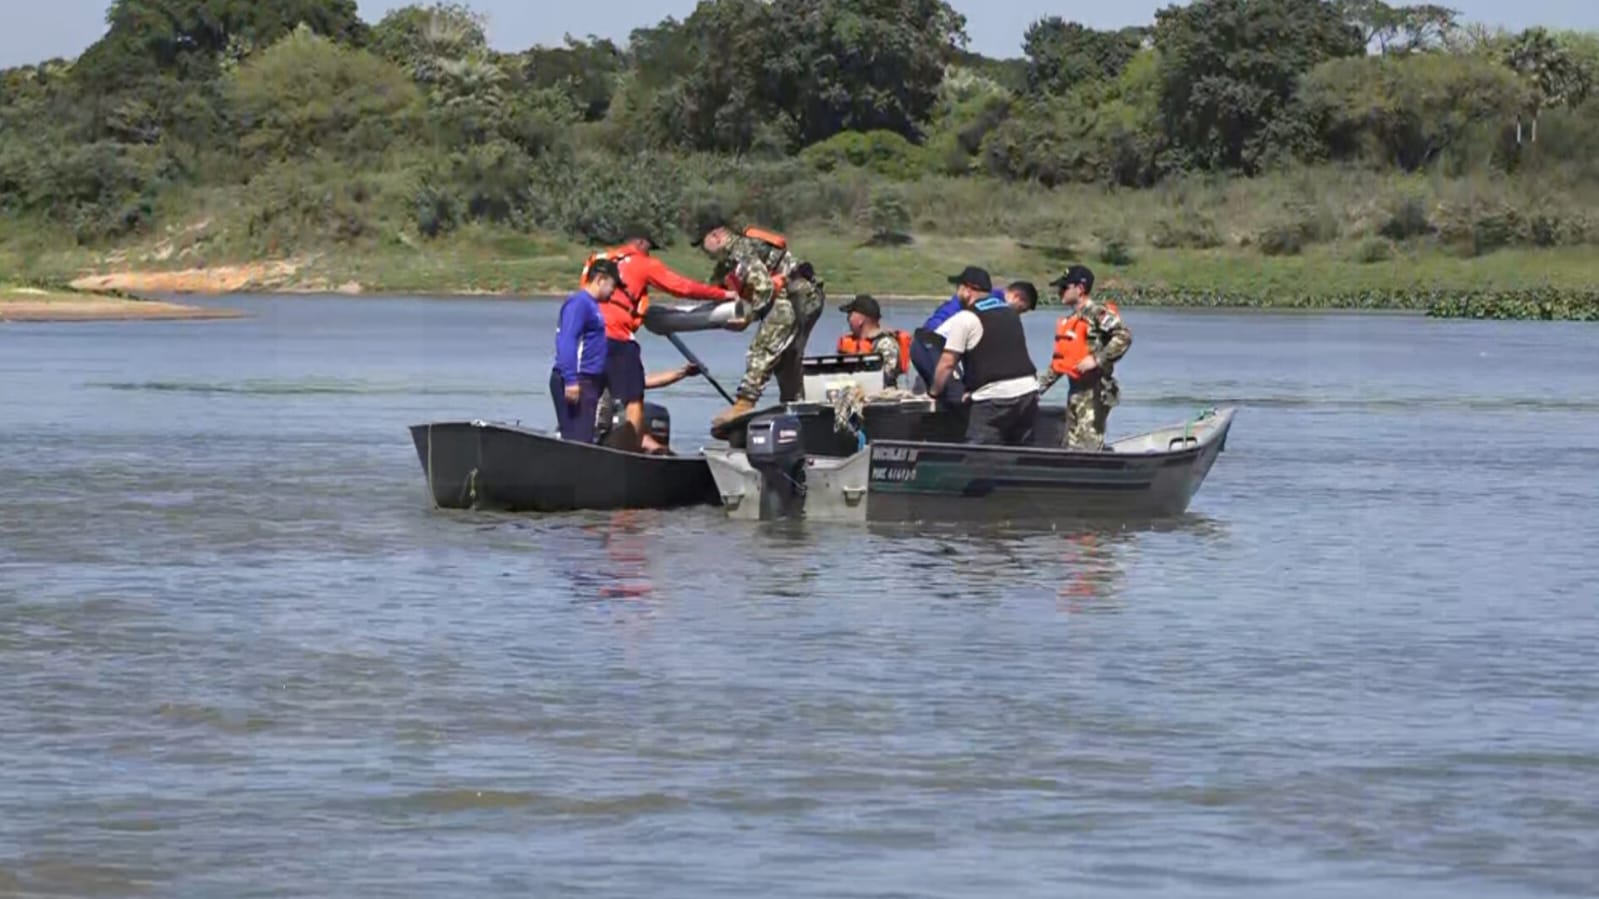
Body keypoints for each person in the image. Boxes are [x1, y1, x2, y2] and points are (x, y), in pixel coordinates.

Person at [581, 227, 739, 452]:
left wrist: (680, 373)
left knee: (595, 395)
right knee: (634, 400)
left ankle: (584, 443)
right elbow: (682, 287)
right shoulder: (643, 262)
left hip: (587, 335)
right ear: (642, 243)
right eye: (650, 249)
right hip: (617, 336)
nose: (651, 254)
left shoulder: (597, 260)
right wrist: (724, 294)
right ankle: (631, 455)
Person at [698, 223, 823, 434]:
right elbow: (712, 287)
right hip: (807, 295)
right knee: (786, 359)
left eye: (703, 245)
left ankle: (744, 403)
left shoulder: (740, 249)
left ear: (717, 236)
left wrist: (749, 316)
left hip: (794, 294)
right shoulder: (729, 260)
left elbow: (763, 287)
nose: (703, 253)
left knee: (763, 348)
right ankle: (796, 410)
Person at [928, 266, 1040, 446]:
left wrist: (934, 391)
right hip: (1029, 393)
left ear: (967, 290)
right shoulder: (1011, 314)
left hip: (995, 400)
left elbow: (947, 364)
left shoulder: (965, 318)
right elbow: (1000, 358)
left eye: (958, 288)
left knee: (979, 458)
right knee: (1018, 456)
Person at [1037, 265, 1133, 451]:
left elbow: (1124, 335)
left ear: (1080, 289)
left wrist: (1097, 359)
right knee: (1072, 447)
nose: (1060, 292)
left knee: (1088, 446)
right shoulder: (1071, 321)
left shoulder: (1097, 313)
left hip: (1095, 391)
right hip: (1075, 392)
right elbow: (1061, 362)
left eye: (1065, 287)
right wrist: (1037, 389)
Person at [911, 280, 1037, 404]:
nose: (1018, 314)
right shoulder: (995, 305)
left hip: (934, 340)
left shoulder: (989, 299)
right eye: (1021, 310)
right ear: (1017, 297)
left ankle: (926, 395)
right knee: (952, 392)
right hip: (934, 339)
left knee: (946, 383)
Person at [550, 258, 618, 443]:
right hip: (578, 380)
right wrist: (571, 380)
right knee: (578, 440)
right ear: (601, 280)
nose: (614, 291)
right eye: (613, 285)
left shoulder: (592, 305)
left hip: (588, 380)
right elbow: (567, 340)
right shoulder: (579, 303)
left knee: (584, 437)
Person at [593, 362, 702, 453]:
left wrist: (682, 373)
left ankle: (660, 455)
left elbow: (644, 381)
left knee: (633, 417)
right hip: (590, 434)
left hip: (610, 431)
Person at [834, 294, 911, 388]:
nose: (848, 319)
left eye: (850, 315)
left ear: (860, 320)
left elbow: (887, 376)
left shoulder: (885, 343)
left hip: (881, 396)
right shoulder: (849, 342)